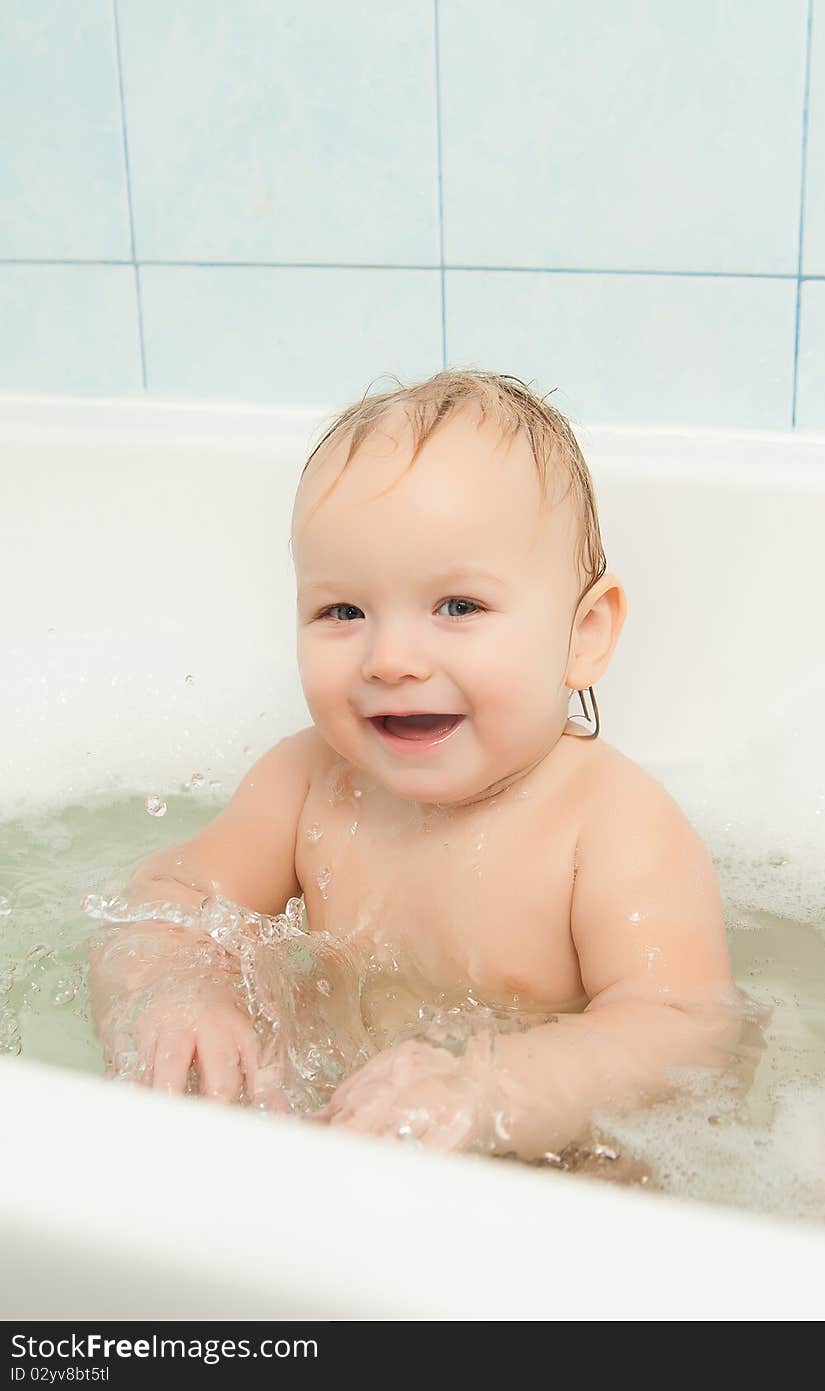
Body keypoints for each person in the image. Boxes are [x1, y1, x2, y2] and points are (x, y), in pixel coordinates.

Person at [89, 369, 744, 1162]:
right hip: (340, 1142)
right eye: (343, 611)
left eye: (458, 607)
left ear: (585, 635)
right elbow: (167, 900)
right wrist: (184, 990)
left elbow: (683, 1026)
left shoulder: (609, 824)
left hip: (550, 1175)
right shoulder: (308, 784)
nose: (391, 658)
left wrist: (494, 1087)